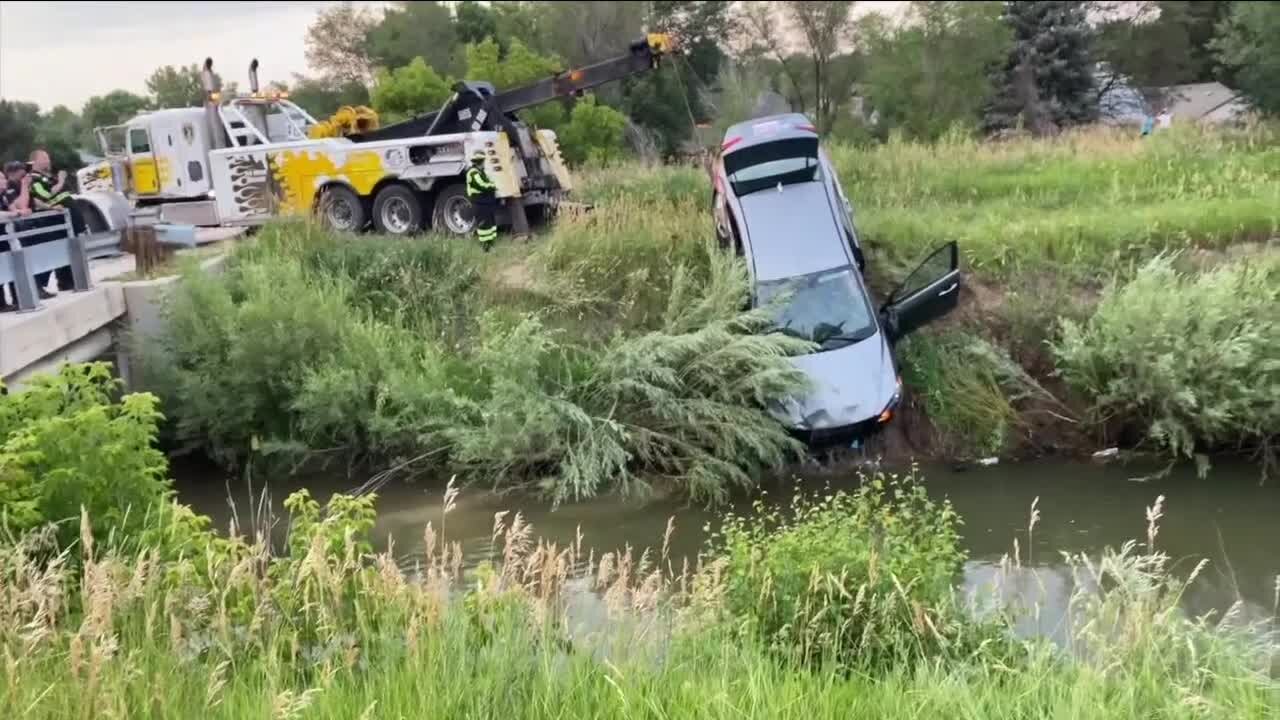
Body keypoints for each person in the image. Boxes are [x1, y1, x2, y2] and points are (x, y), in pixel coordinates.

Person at [24, 149, 78, 293]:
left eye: (48, 157)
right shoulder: (34, 178)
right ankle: (38, 285)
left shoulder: (47, 176)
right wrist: (61, 181)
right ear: (34, 161)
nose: (48, 160)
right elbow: (45, 195)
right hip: (48, 221)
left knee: (65, 250)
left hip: (62, 220)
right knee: (49, 253)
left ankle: (66, 281)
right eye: (44, 158)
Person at [0, 164, 34, 310]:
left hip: (6, 237)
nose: (5, 180)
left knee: (12, 266)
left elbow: (18, 206)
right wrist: (15, 214)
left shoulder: (3, 196)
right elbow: (9, 213)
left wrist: (24, 185)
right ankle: (1, 304)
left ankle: (18, 298)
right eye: (1, 178)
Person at [465, 150, 497, 251]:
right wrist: (492, 186)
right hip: (479, 203)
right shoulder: (473, 173)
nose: (484, 163)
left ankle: (490, 244)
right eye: (483, 161)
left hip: (485, 203)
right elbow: (482, 186)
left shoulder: (480, 172)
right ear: (480, 161)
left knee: (490, 224)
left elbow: (487, 182)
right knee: (484, 226)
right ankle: (486, 247)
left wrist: (491, 185)